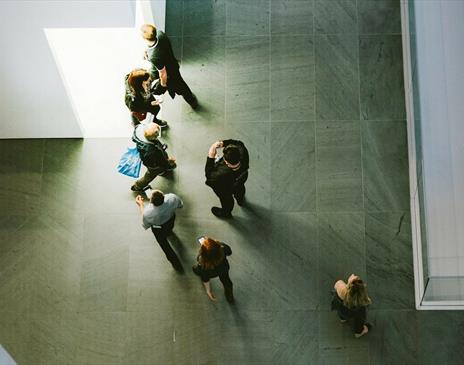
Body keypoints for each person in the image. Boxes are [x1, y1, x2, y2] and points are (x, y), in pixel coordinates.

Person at [140, 23, 198, 109]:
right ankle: (190, 98)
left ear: (144, 38)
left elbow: (163, 73)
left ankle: (192, 101)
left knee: (180, 86)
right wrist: (147, 50)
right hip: (172, 63)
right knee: (180, 83)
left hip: (169, 71)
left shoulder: (154, 57)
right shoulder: (160, 34)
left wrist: (163, 84)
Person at [135, 190, 184, 271]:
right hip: (170, 220)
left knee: (164, 244)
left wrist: (141, 204)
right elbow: (180, 205)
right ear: (163, 196)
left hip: (158, 228)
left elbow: (145, 224)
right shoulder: (172, 197)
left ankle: (175, 262)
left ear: (151, 201)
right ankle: (168, 232)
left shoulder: (148, 212)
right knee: (169, 229)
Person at [205, 139, 249, 218]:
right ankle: (240, 200)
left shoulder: (219, 174)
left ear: (226, 162)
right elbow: (238, 143)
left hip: (226, 188)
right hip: (241, 178)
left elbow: (209, 177)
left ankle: (226, 213)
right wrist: (223, 143)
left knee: (227, 200)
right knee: (240, 189)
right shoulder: (243, 152)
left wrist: (211, 157)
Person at [131, 122, 176, 192]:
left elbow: (136, 123)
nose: (158, 135)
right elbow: (159, 162)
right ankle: (138, 186)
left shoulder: (140, 130)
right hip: (154, 166)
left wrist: (161, 147)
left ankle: (162, 170)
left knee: (160, 164)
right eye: (157, 134)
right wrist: (168, 162)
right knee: (150, 175)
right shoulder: (151, 151)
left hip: (153, 154)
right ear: (153, 138)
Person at [192, 236, 234, 303]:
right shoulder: (223, 248)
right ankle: (230, 296)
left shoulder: (203, 265)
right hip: (223, 269)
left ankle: (197, 271)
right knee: (226, 281)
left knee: (197, 269)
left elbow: (205, 279)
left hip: (210, 273)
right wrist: (218, 244)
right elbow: (229, 252)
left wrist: (208, 291)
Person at [333, 274, 372, 338]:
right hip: (355, 313)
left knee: (341, 312)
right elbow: (368, 302)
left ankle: (343, 319)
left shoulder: (342, 289)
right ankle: (359, 332)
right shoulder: (362, 301)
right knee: (359, 320)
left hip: (342, 308)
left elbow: (336, 284)